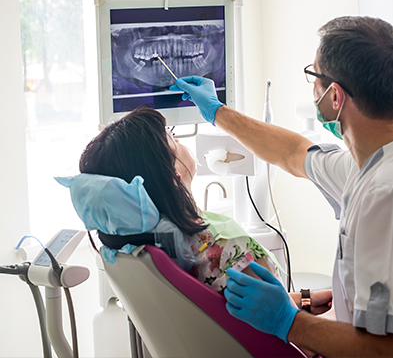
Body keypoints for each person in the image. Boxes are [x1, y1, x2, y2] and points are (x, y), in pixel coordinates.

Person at [169, 16, 393, 357]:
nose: (312, 87)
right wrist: (216, 112)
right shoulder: (370, 163)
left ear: (335, 96)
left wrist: (289, 322)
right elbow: (292, 152)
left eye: (314, 76)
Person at [57, 107, 279, 293]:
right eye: (173, 138)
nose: (181, 141)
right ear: (173, 174)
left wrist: (309, 297)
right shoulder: (229, 251)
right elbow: (283, 323)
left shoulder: (133, 249)